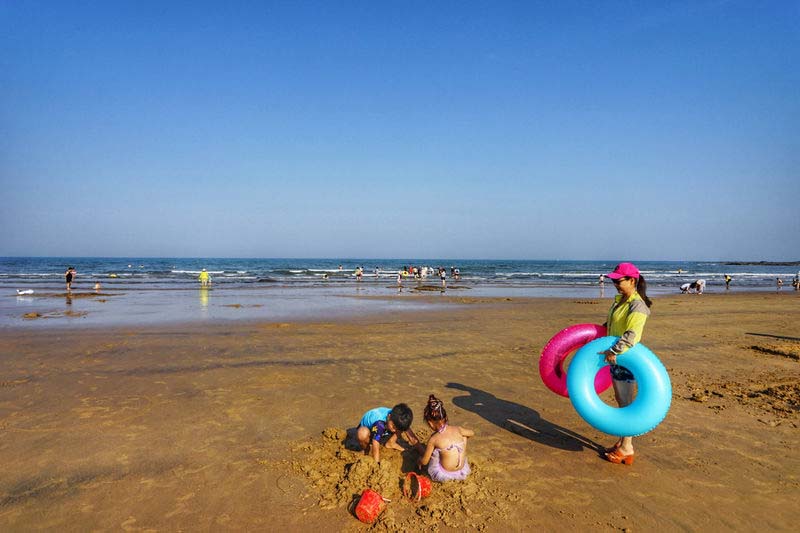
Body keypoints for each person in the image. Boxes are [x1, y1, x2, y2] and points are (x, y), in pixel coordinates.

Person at [598, 262, 653, 465]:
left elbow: (632, 335)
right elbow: (612, 324)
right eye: (613, 280)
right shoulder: (621, 300)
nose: (614, 284)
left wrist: (613, 350)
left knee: (627, 403)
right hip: (617, 359)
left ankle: (627, 447)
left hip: (625, 359)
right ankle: (622, 442)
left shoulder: (637, 306)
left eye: (618, 281)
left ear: (632, 280)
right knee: (622, 401)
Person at [417, 394, 474, 482]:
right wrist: (462, 441)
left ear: (430, 423)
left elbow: (425, 461)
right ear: (446, 417)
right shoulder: (458, 429)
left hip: (444, 474)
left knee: (434, 451)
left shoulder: (434, 439)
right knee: (464, 437)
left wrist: (419, 461)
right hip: (462, 470)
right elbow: (471, 433)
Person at [356, 404, 422, 463]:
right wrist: (377, 463)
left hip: (384, 427)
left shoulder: (399, 418)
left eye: (396, 429)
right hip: (369, 430)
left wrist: (423, 453)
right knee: (362, 434)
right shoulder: (379, 423)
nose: (394, 431)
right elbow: (375, 443)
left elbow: (412, 437)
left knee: (402, 426)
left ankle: (391, 443)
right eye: (393, 426)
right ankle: (366, 449)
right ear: (389, 416)